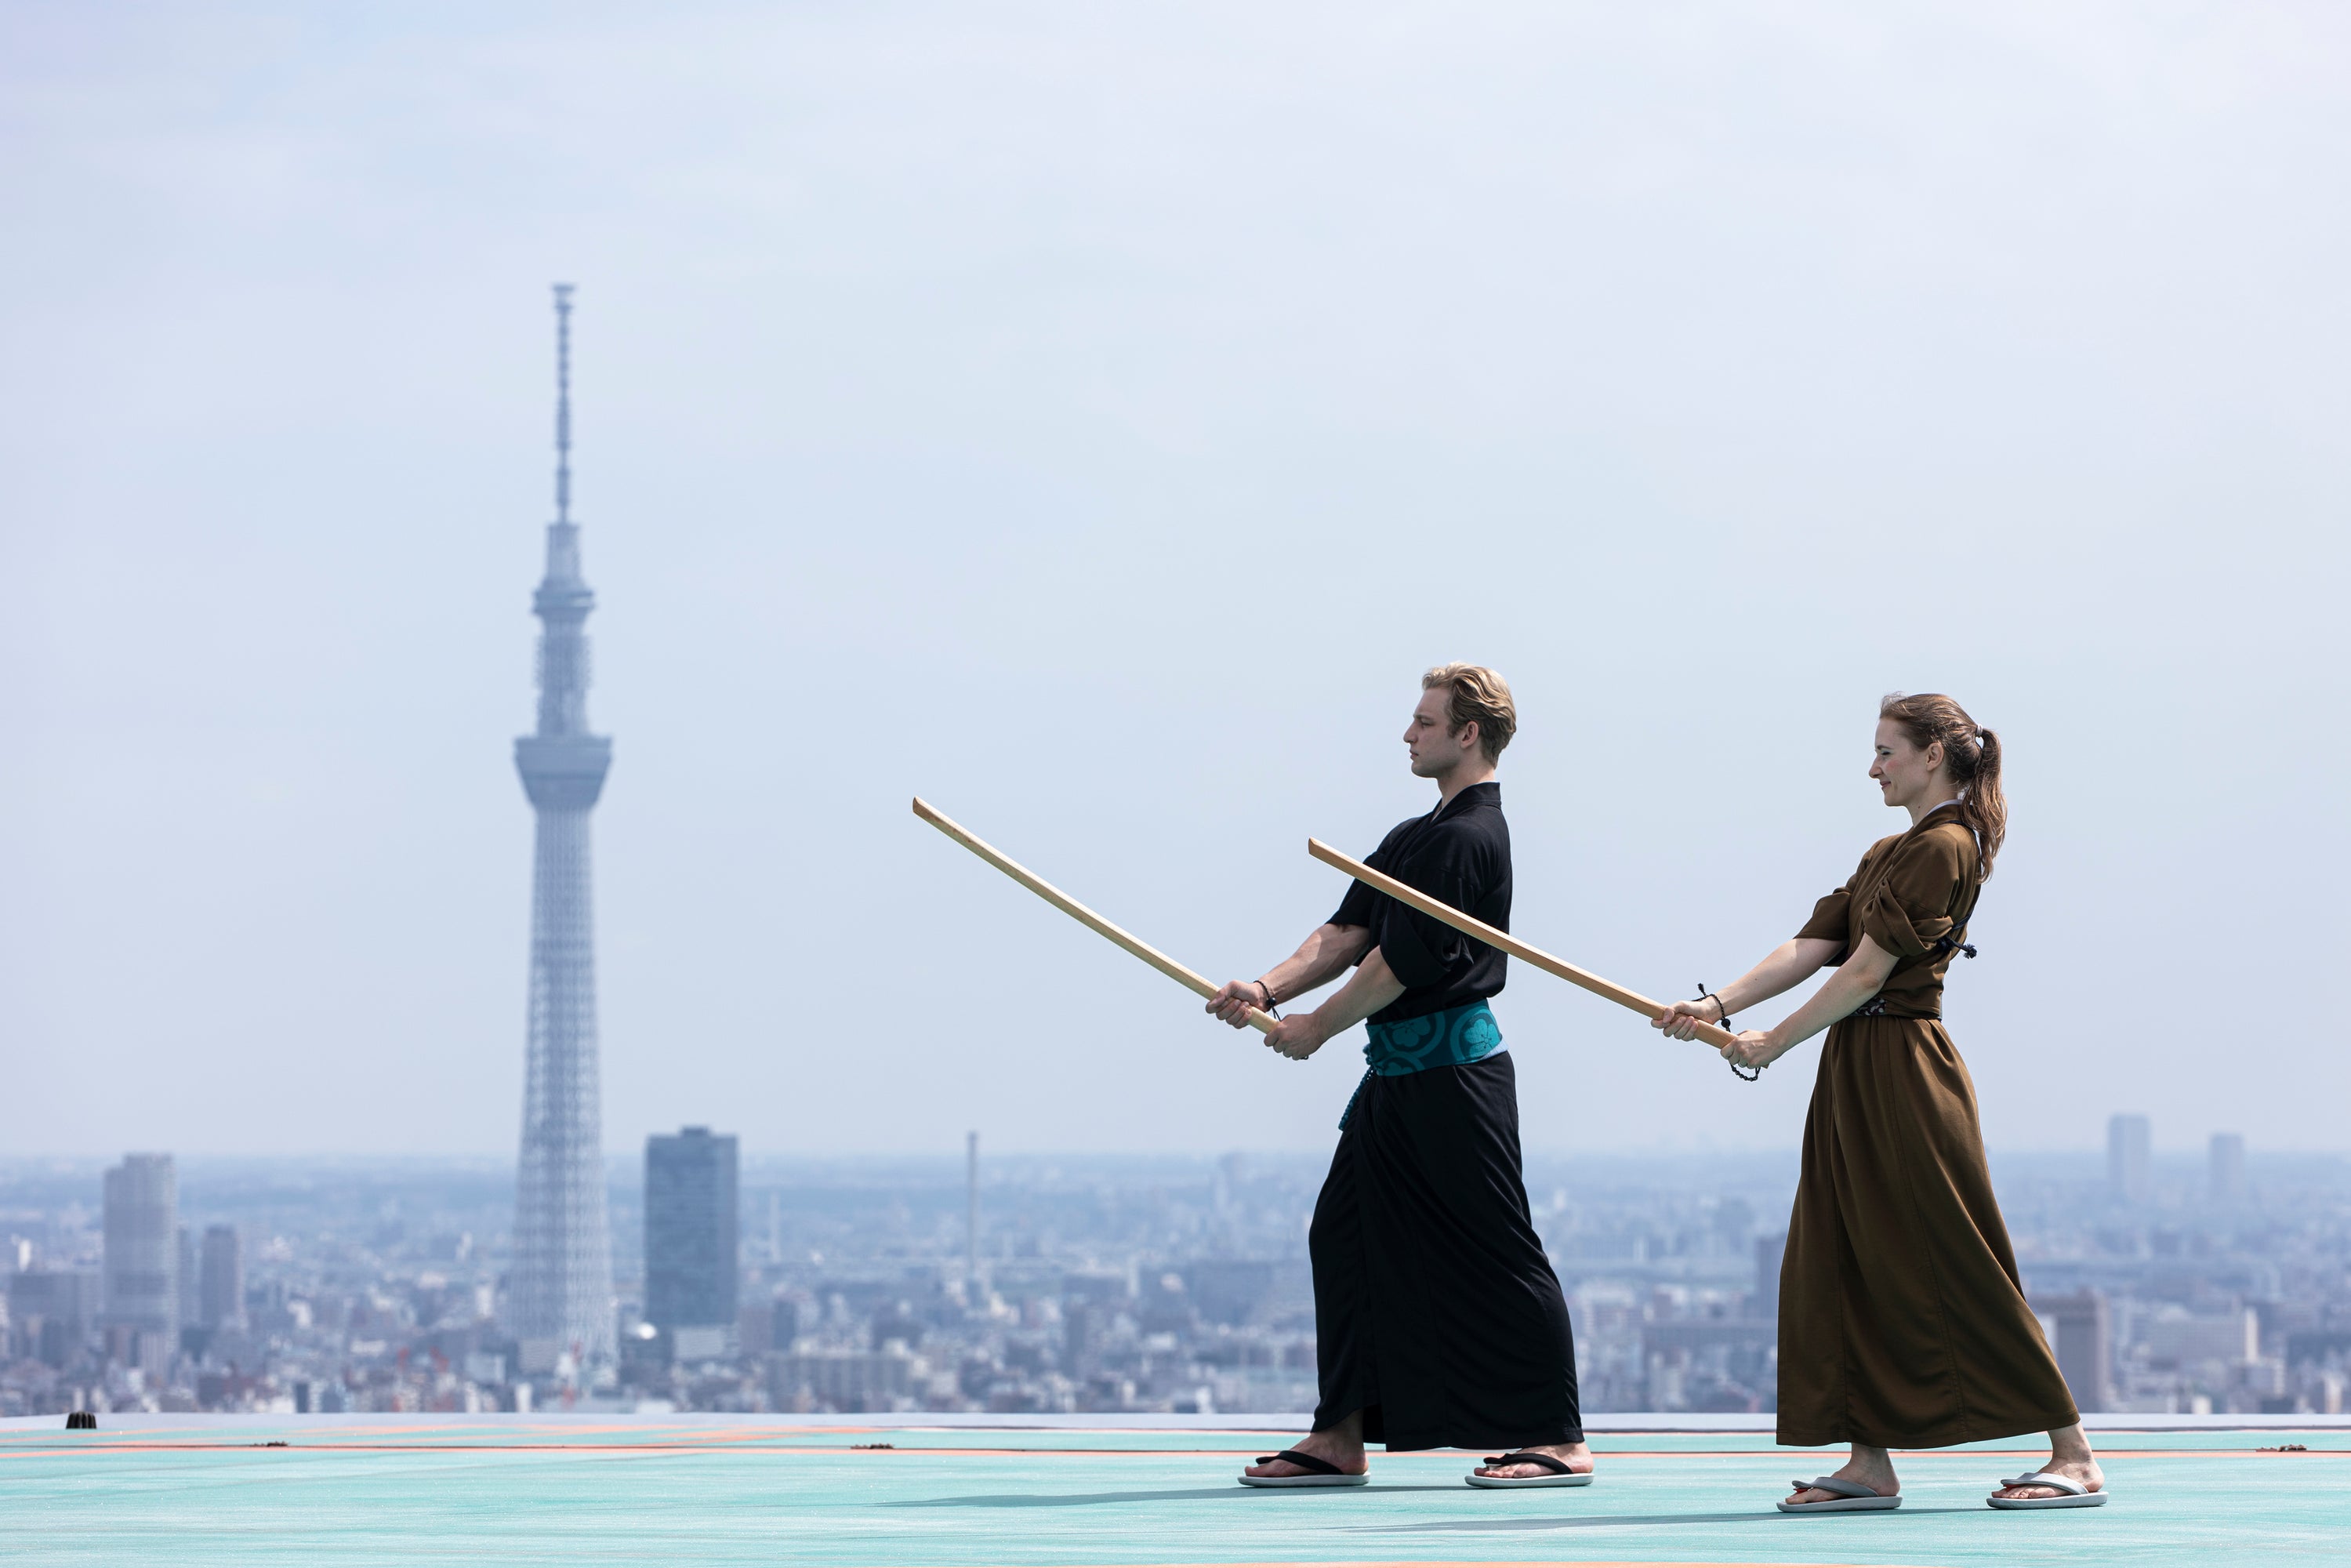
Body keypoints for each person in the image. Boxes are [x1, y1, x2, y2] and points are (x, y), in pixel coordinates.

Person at [1655, 693, 2107, 1513]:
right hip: (1854, 1065)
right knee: (1837, 1249)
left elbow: (1865, 973)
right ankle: (1868, 1461)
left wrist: (1769, 1042)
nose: (1872, 766)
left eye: (1885, 750)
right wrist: (1716, 1006)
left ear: (1931, 753)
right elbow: (1815, 943)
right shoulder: (1887, 850)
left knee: (1952, 1249)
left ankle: (2072, 1453)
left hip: (1901, 1066)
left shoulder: (1944, 844)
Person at [1208, 664, 1590, 1490]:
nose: (1406, 734)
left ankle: (1558, 1437)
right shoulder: (1415, 834)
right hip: (1396, 1078)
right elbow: (1346, 929)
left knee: (1497, 1248)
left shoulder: (1467, 837)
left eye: (1423, 722)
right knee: (1341, 1233)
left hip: (1455, 1076)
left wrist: (1314, 1027)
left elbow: (1397, 962)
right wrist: (1267, 988)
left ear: (1466, 735)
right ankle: (1339, 1434)